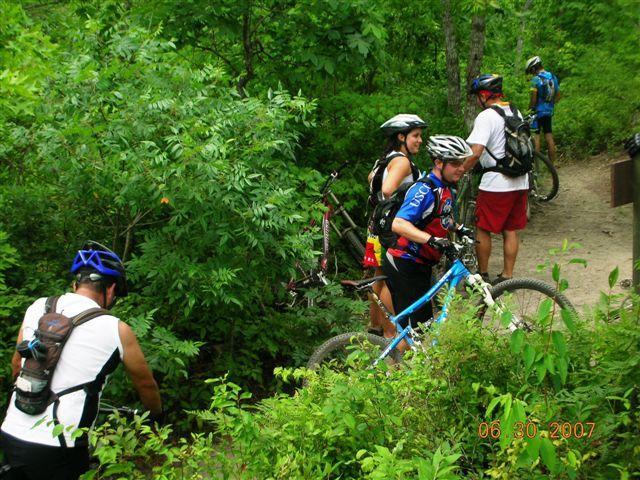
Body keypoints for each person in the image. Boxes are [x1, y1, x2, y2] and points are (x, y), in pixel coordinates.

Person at [0, 241, 162, 480]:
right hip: (60, 447)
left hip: (11, 432)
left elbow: (17, 365)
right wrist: (157, 416)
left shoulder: (37, 307)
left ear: (76, 284)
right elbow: (146, 385)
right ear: (111, 289)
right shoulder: (116, 328)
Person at [382, 135, 472, 344]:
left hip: (420, 262)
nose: (461, 168)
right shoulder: (424, 189)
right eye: (455, 163)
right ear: (439, 162)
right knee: (414, 331)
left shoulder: (446, 188)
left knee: (420, 327)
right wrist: (432, 240)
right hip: (403, 261)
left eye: (463, 163)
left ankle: (402, 369)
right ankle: (391, 371)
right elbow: (399, 224)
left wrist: (459, 228)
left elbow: (440, 217)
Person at [364, 114, 427, 338]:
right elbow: (388, 190)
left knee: (378, 276)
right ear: (401, 136)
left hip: (376, 225)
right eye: (415, 136)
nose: (420, 140)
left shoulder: (385, 159)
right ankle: (392, 333)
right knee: (391, 280)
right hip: (391, 230)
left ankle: (375, 327)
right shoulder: (401, 161)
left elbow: (372, 180)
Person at [463, 74, 529, 283]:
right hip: (521, 180)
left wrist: (461, 170)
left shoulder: (486, 117)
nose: (476, 100)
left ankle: (482, 275)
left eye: (477, 96)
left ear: (484, 95)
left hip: (496, 184)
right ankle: (507, 276)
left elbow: (476, 151)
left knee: (483, 227)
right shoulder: (516, 111)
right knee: (511, 230)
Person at [525, 56, 561, 163]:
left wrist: (530, 109)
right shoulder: (552, 77)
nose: (531, 74)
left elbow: (534, 99)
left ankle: (535, 167)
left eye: (531, 71)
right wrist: (550, 104)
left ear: (533, 68)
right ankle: (552, 165)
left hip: (537, 112)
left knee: (536, 137)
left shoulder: (535, 79)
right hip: (548, 112)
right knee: (549, 136)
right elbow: (558, 95)